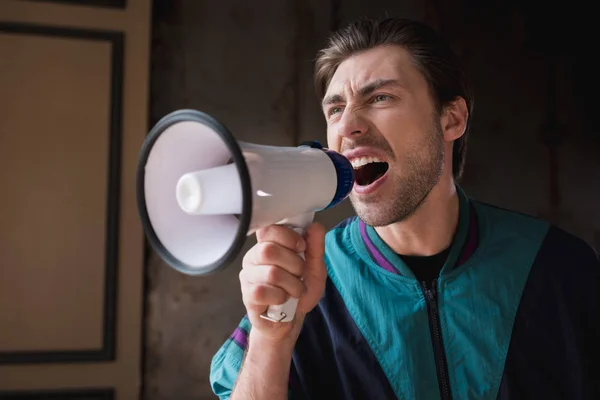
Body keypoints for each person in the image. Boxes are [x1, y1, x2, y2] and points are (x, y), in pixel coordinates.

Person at [209, 16, 599, 400]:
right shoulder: (306, 283)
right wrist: (271, 339)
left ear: (452, 118)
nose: (347, 126)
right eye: (335, 109)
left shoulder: (559, 267)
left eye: (380, 98)